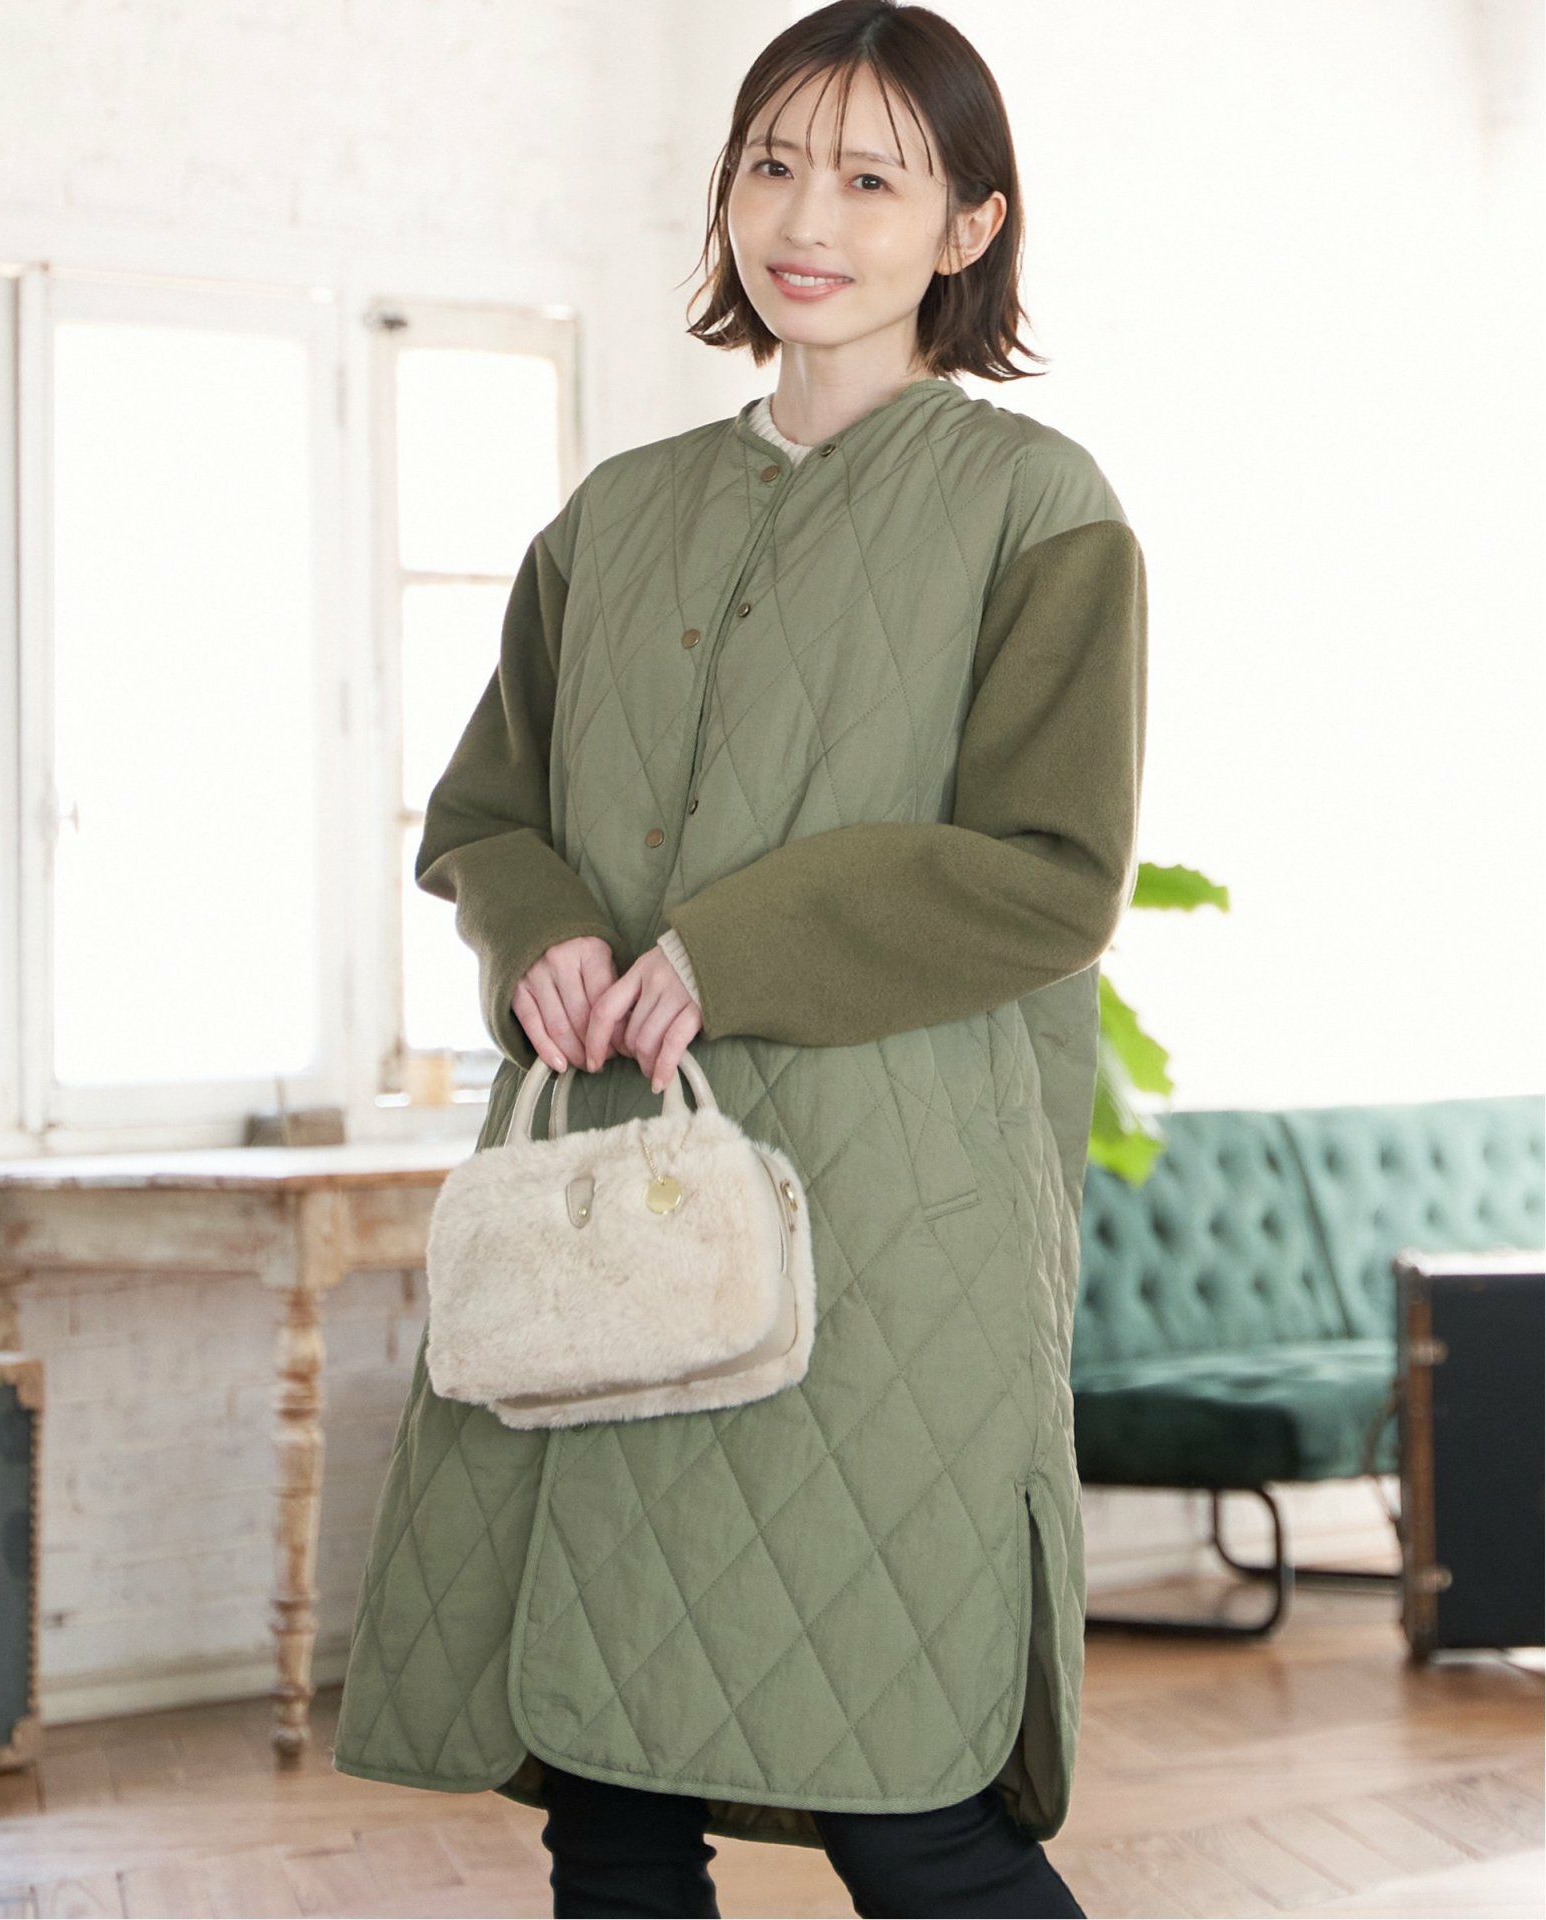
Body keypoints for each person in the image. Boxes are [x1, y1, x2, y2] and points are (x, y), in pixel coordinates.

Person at [332, 4, 1147, 1915]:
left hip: (889, 1241)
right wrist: (538, 932)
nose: (808, 218)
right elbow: (487, 808)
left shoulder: (1039, 509)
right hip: (610, 1211)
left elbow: (1051, 871)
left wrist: (733, 945)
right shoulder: (616, 517)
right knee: (605, 1792)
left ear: (967, 226)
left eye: (871, 178)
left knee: (906, 1795)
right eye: (773, 165)